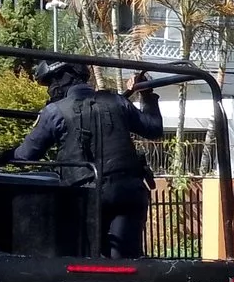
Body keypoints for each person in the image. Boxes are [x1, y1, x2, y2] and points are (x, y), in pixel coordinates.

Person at [13, 60, 165, 258]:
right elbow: (154, 128)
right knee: (125, 262)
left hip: (82, 197)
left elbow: (26, 155)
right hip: (128, 192)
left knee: (80, 260)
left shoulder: (54, 111)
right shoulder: (117, 102)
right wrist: (147, 95)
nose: (50, 89)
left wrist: (4, 156)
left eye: (51, 83)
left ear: (63, 79)